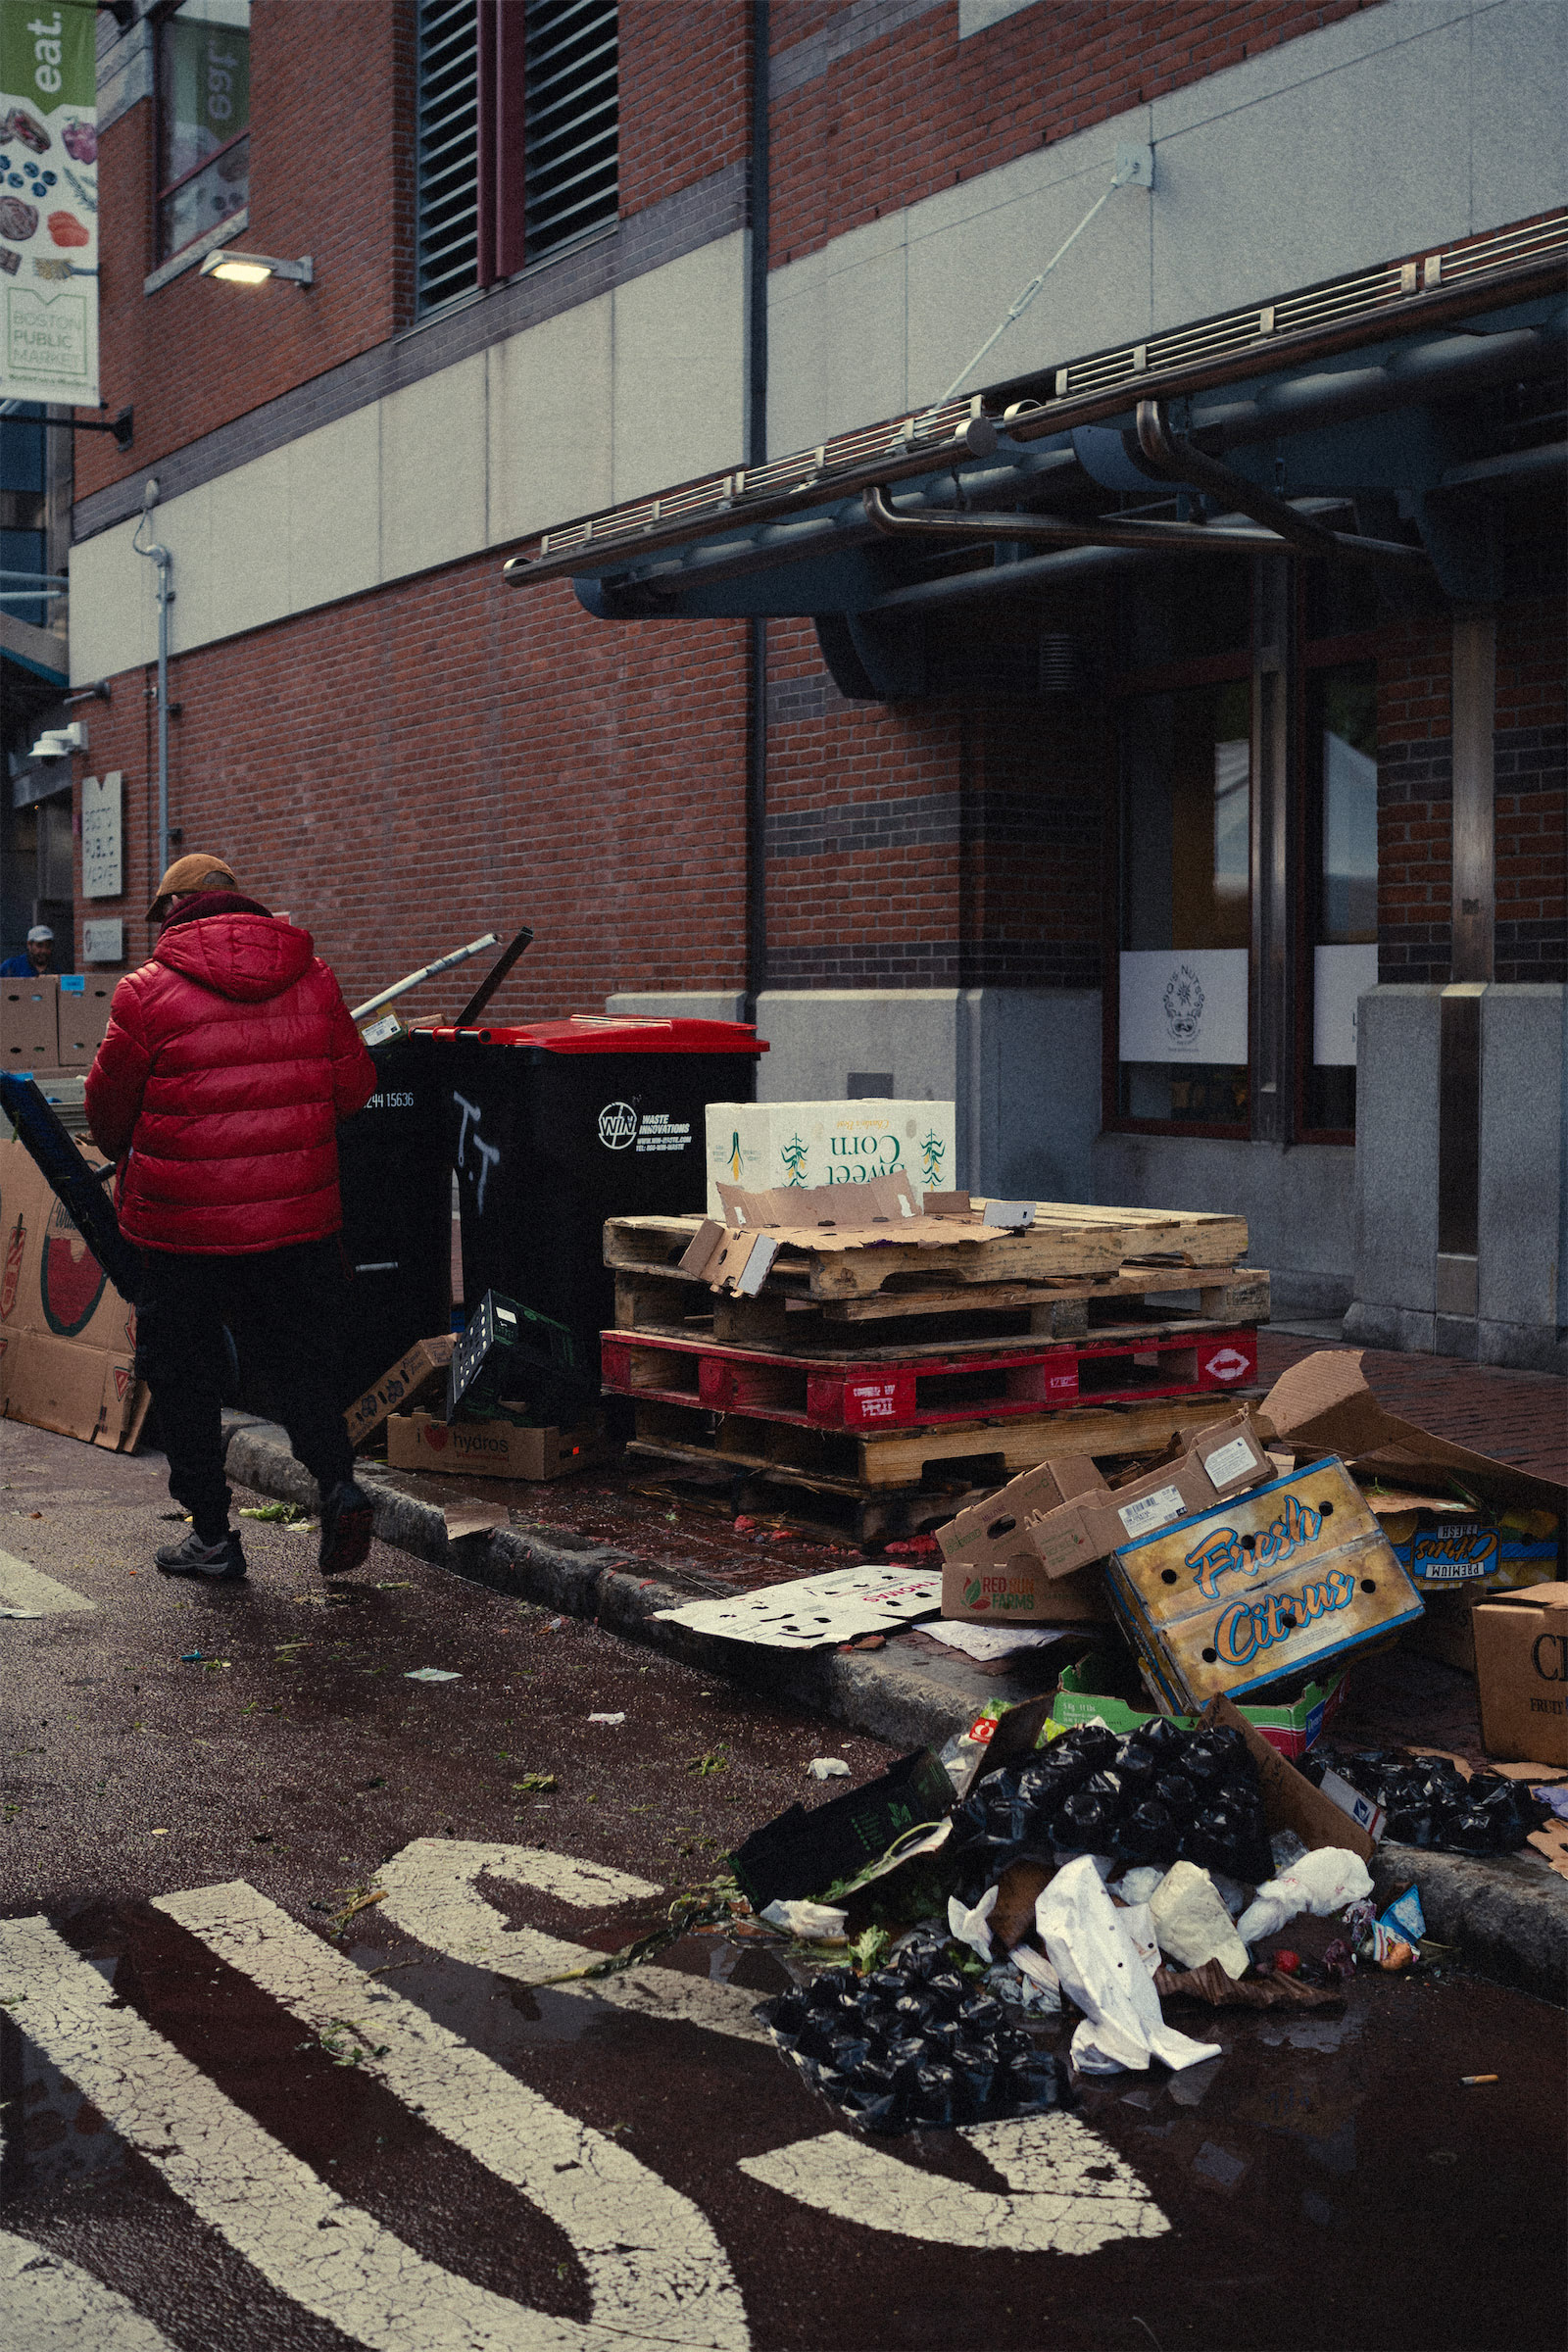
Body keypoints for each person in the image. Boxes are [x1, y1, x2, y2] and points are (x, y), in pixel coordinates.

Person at [85, 853, 380, 1583]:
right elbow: (355, 1090)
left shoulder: (146, 993)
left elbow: (106, 1115)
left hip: (183, 1233)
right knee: (298, 1363)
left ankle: (212, 1535)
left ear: (177, 911)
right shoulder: (313, 979)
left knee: (183, 1375)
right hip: (298, 1225)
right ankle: (338, 1486)